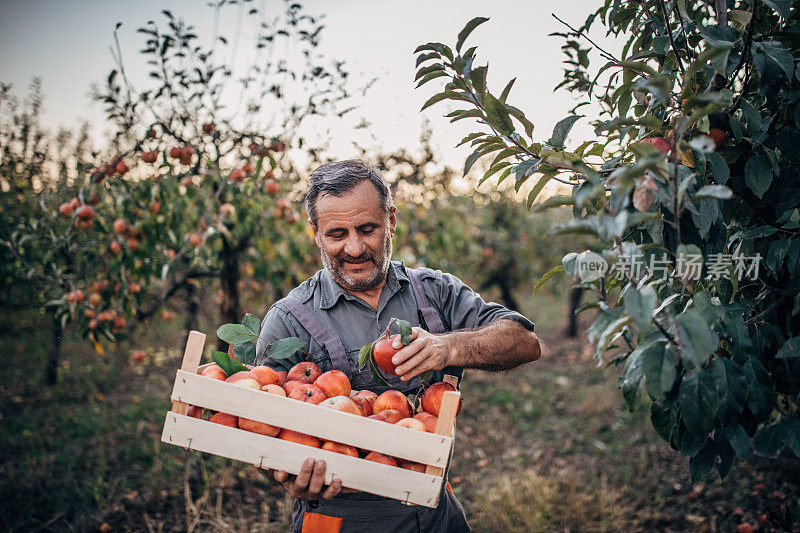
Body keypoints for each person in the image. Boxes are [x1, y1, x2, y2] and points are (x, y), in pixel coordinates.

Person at [255, 159, 540, 532]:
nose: (354, 248)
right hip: (340, 519)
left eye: (367, 229)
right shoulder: (289, 319)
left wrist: (447, 347)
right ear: (315, 231)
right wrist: (287, 473)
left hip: (434, 511)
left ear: (391, 219)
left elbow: (525, 341)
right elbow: (258, 426)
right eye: (337, 234)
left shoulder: (435, 291)